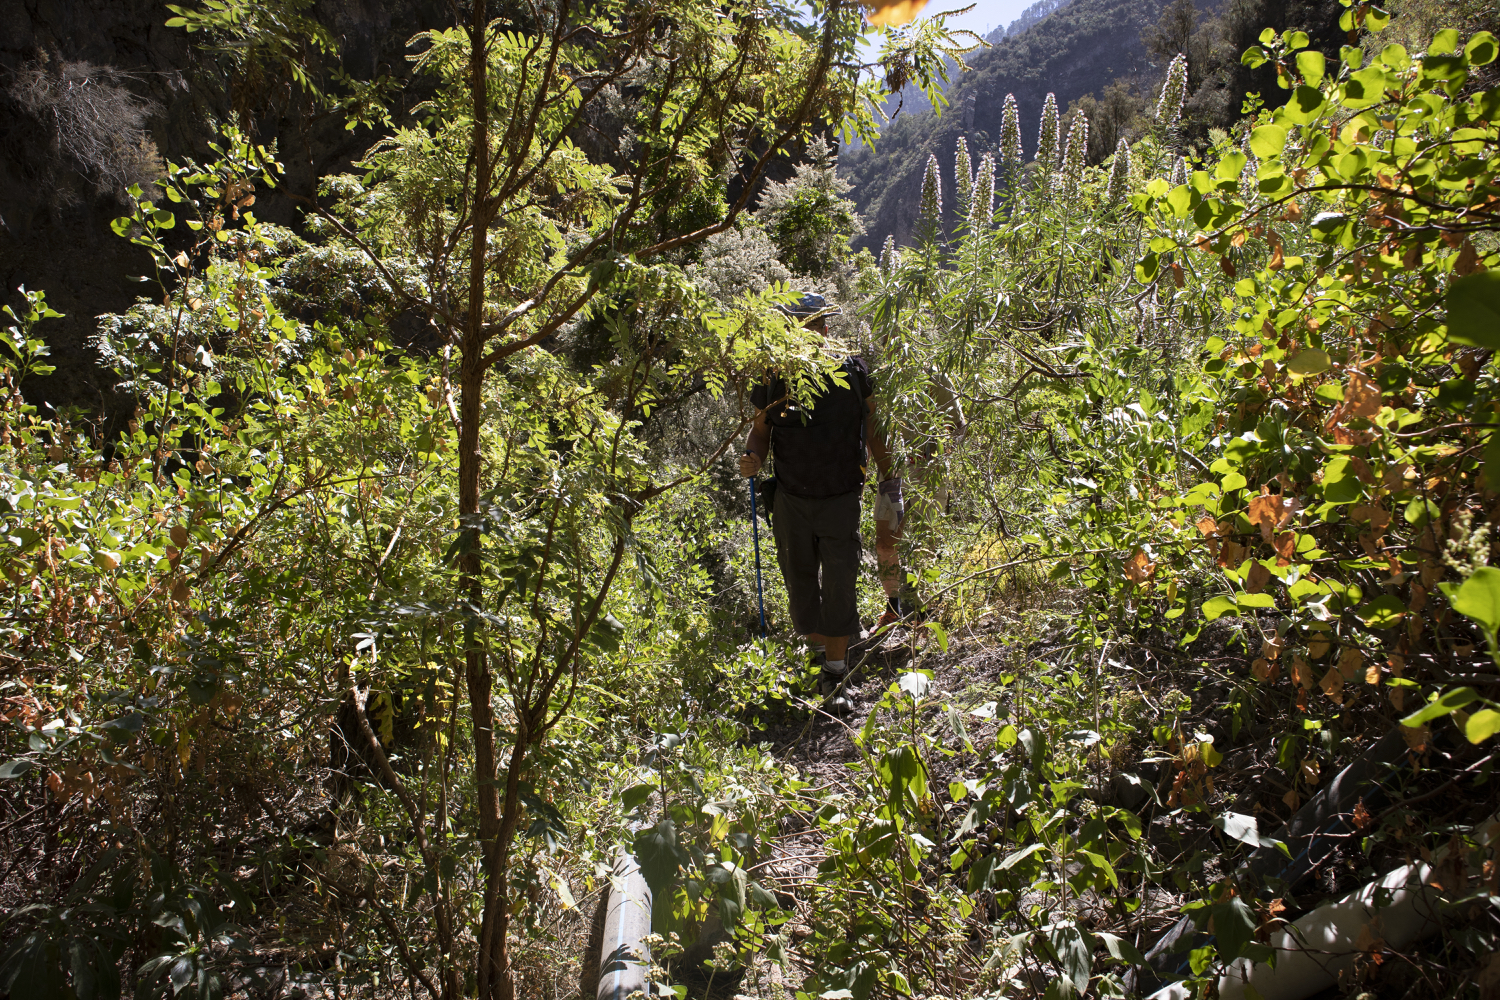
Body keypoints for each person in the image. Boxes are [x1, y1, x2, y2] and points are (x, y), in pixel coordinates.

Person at [739, 293, 897, 711]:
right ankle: (817, 657)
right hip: (791, 499)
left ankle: (834, 672)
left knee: (841, 580)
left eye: (817, 324)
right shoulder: (773, 376)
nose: (812, 332)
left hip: (841, 496)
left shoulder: (852, 370)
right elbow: (760, 431)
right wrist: (752, 456)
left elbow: (874, 424)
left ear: (827, 327)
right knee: (800, 581)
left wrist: (889, 477)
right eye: (802, 325)